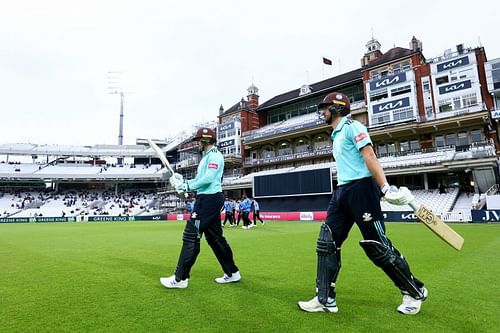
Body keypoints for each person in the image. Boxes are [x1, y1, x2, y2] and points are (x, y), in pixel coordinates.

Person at [297, 92, 427, 315]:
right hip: (342, 191)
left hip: (362, 190)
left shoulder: (352, 127)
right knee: (327, 241)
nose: (322, 112)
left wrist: (384, 187)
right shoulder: (336, 134)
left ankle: (414, 291)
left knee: (377, 246)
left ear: (337, 108)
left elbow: (369, 155)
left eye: (326, 108)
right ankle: (325, 298)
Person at [160, 127, 241, 288]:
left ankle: (180, 279)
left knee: (191, 235)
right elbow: (201, 179)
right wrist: (181, 180)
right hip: (208, 198)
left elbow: (208, 179)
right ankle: (232, 272)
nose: (197, 144)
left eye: (198, 141)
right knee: (215, 238)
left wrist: (186, 185)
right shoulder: (206, 157)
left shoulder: (215, 157)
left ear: (205, 141)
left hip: (209, 200)